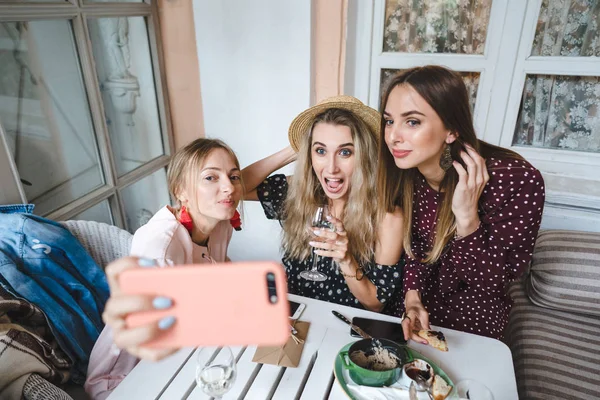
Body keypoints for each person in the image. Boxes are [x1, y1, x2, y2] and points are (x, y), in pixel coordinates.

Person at [377, 65, 545, 341]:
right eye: (389, 121)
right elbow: (416, 248)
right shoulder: (406, 172)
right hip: (413, 307)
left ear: (451, 129)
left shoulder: (517, 180)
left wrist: (467, 219)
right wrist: (412, 296)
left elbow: (491, 282)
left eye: (412, 122)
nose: (393, 136)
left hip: (474, 314)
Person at [85, 138, 243, 399]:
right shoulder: (160, 247)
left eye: (234, 177)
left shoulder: (220, 224)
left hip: (186, 356)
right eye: (210, 178)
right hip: (129, 376)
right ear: (181, 190)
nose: (228, 187)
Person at [243, 95, 404, 312]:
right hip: (293, 322)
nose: (331, 168)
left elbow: (375, 304)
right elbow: (236, 187)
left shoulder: (387, 217)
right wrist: (297, 146)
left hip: (346, 333)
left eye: (345, 152)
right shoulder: (299, 193)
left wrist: (346, 259)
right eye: (320, 151)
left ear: (364, 156)